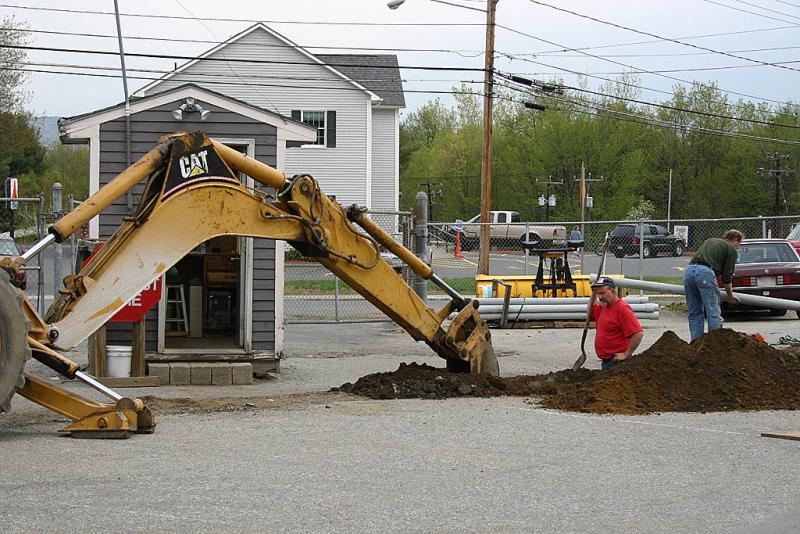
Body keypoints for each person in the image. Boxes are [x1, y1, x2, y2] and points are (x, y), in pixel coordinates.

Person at [683, 229, 743, 342]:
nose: (737, 248)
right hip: (705, 273)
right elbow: (727, 278)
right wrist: (730, 296)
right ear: (735, 240)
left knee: (695, 311)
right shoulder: (730, 250)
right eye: (738, 245)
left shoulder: (711, 241)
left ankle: (696, 342)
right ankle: (714, 345)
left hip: (689, 272)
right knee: (713, 310)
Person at [589, 277, 644, 370]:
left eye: (602, 293)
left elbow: (638, 333)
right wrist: (593, 293)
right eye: (598, 294)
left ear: (613, 291)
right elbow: (590, 309)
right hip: (606, 362)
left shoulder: (622, 309)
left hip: (616, 363)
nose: (600, 297)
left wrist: (626, 354)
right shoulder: (604, 307)